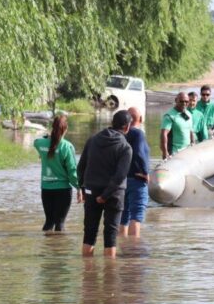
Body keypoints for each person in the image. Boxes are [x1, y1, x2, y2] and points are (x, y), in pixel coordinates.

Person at [77, 110, 133, 257]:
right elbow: (120, 176)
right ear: (127, 127)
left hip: (91, 191)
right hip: (114, 195)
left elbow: (81, 167)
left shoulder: (93, 140)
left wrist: (82, 189)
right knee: (111, 236)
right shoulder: (125, 147)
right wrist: (105, 195)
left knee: (89, 233)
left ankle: (87, 274)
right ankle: (110, 275)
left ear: (112, 123)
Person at [33, 114, 80, 233]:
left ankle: (46, 248)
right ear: (66, 129)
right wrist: (79, 187)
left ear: (52, 128)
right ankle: (59, 249)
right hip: (62, 190)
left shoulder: (41, 144)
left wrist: (47, 136)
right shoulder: (67, 146)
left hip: (46, 188)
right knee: (60, 224)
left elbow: (36, 141)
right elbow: (72, 171)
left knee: (49, 222)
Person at [120, 107, 150, 238]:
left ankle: (121, 243)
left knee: (123, 215)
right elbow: (139, 154)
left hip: (121, 180)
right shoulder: (138, 134)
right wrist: (145, 172)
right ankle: (133, 250)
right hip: (136, 179)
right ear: (141, 119)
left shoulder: (120, 133)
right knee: (136, 216)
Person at [160, 92, 195, 160]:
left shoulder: (188, 114)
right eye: (181, 101)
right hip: (174, 153)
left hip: (187, 152)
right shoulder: (169, 116)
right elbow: (163, 134)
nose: (184, 104)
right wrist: (165, 153)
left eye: (186, 101)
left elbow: (190, 130)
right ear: (176, 100)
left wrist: (193, 143)